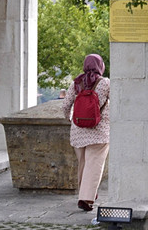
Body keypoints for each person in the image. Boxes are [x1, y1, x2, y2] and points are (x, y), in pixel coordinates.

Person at [61, 54, 110, 212]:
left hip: (78, 130)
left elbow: (65, 105)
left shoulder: (76, 82)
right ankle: (87, 198)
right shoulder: (105, 83)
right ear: (100, 66)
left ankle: (85, 193)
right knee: (94, 165)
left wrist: (69, 119)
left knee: (83, 164)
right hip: (99, 130)